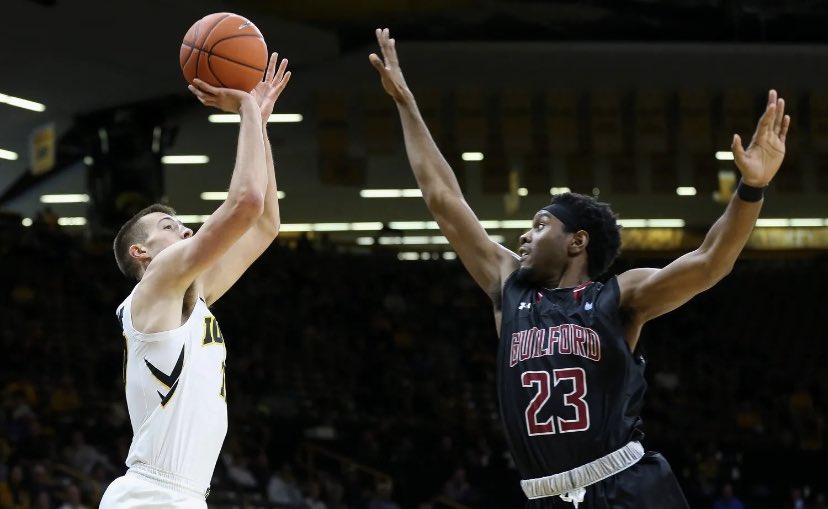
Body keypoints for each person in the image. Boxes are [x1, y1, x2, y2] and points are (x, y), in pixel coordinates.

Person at [369, 28, 789, 508]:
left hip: (624, 486)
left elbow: (711, 261)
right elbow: (443, 199)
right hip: (545, 495)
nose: (524, 237)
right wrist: (405, 103)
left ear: (577, 241)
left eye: (540, 225)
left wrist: (751, 189)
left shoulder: (619, 296)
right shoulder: (509, 287)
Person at [99, 53, 291, 509]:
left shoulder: (192, 294)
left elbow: (266, 225)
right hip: (151, 494)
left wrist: (259, 125)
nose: (185, 231)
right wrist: (245, 108)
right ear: (140, 252)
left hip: (180, 495)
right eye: (169, 226)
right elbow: (246, 202)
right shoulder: (156, 283)